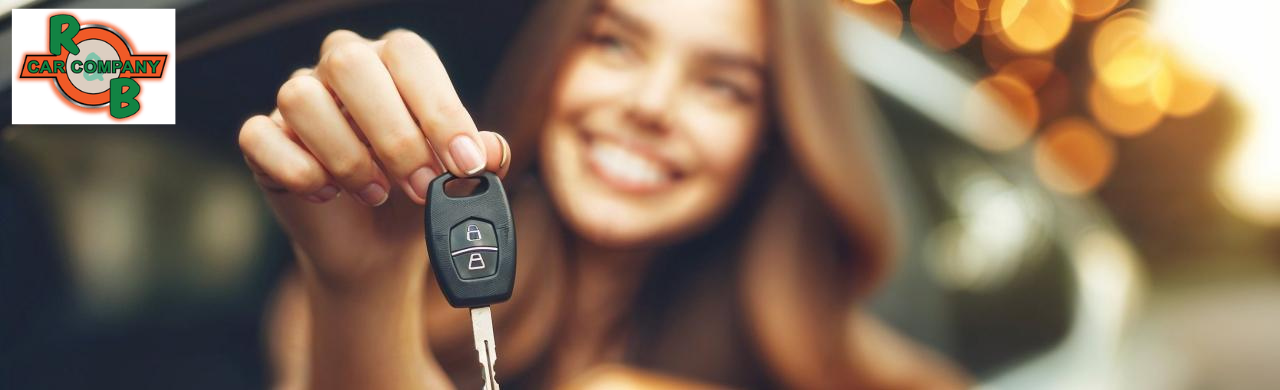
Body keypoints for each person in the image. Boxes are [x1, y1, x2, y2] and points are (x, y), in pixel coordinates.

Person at [237, 0, 970, 388]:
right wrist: (366, 287)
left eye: (723, 85)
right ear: (554, 63)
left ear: (772, 135)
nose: (650, 104)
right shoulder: (335, 309)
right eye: (615, 42)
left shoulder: (867, 379)